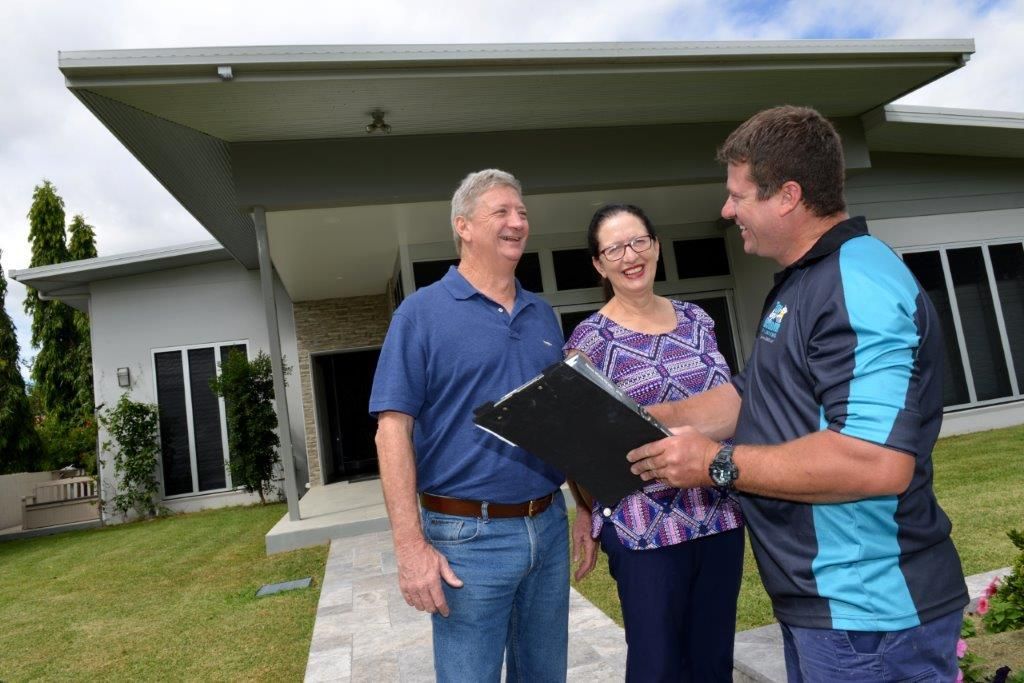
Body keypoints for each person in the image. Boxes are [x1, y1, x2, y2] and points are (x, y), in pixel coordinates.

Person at [626, 106, 969, 682]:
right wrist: (631, 419)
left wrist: (715, 464)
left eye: (739, 195)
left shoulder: (855, 284)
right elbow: (751, 398)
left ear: (787, 195)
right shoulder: (805, 281)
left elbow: (876, 463)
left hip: (868, 618)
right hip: (828, 613)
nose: (726, 209)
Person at [369, 169, 569, 682]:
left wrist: (584, 507)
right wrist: (410, 548)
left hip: (548, 528)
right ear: (464, 226)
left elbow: (564, 421)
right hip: (467, 540)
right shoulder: (420, 315)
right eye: (501, 211)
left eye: (522, 212)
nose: (517, 221)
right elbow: (391, 431)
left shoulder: (543, 314)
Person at [564, 203, 744, 682]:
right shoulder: (589, 342)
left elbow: (733, 404)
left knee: (712, 663)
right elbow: (576, 445)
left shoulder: (697, 320)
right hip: (645, 532)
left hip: (718, 515)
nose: (630, 256)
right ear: (599, 264)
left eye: (638, 241)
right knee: (656, 666)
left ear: (656, 246)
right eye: (614, 248)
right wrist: (586, 507)